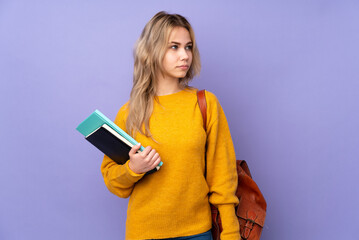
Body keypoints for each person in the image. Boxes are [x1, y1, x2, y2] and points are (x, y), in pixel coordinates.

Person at [101, 11, 239, 240]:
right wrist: (133, 169)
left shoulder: (205, 104)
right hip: (144, 233)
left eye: (188, 47)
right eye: (174, 47)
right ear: (152, 50)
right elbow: (114, 183)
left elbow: (223, 178)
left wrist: (231, 234)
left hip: (197, 232)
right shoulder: (129, 113)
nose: (185, 55)